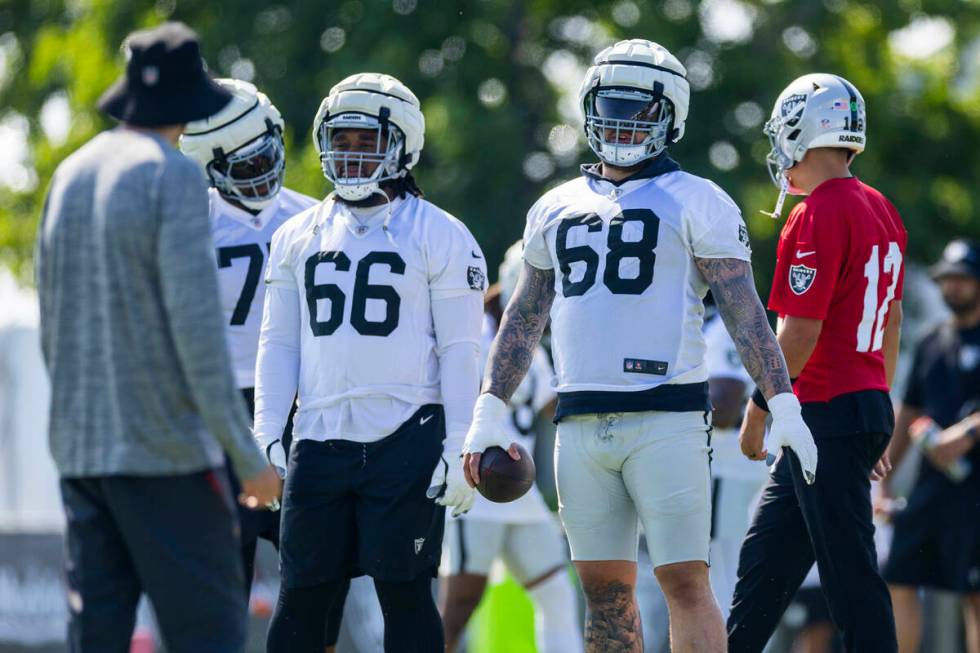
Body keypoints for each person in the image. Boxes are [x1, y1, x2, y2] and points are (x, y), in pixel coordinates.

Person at [462, 39, 817, 653]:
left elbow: (745, 315)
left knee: (686, 580)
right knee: (603, 591)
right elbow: (522, 318)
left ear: (670, 114)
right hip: (578, 419)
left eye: (638, 107)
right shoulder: (554, 205)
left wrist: (782, 402)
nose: (621, 121)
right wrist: (488, 410)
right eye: (610, 105)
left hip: (668, 416)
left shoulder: (700, 199)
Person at [34, 22, 280, 653]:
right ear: (190, 105)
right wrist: (248, 460)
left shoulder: (70, 173)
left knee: (98, 634)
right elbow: (198, 338)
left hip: (83, 452)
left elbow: (53, 325)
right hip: (164, 455)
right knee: (212, 634)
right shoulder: (170, 177)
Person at [255, 72, 486, 653]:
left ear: (403, 144)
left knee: (404, 594)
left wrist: (463, 440)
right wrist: (266, 431)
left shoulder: (441, 234)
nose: (351, 153)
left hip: (406, 434)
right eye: (342, 139)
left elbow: (462, 348)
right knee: (302, 597)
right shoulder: (295, 235)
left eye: (367, 140)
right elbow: (279, 341)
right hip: (318, 434)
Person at [728, 73, 905, 652]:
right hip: (851, 406)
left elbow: (799, 331)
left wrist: (759, 409)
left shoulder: (817, 212)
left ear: (806, 130)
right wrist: (879, 405)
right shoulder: (881, 208)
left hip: (825, 412)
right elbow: (891, 321)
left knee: (849, 577)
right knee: (764, 566)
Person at [180, 77, 315, 595]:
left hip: (298, 406)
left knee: (312, 584)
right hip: (219, 408)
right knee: (217, 586)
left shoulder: (312, 217)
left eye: (265, 158)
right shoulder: (190, 224)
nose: (262, 174)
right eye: (245, 167)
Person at [439, 241, 583, 653]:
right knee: (459, 606)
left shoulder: (531, 349)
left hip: (521, 493)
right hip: (476, 489)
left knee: (556, 593)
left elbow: (553, 407)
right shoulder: (475, 335)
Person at [883, 239, 980, 653]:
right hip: (931, 485)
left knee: (974, 592)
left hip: (976, 492)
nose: (952, 287)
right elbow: (909, 413)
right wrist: (884, 475)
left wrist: (970, 432)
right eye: (947, 279)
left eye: (962, 279)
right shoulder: (930, 341)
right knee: (899, 577)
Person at [701, 300, 770, 620]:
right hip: (732, 462)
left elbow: (725, 407)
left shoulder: (722, 327)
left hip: (728, 462)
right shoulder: (716, 323)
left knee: (721, 575)